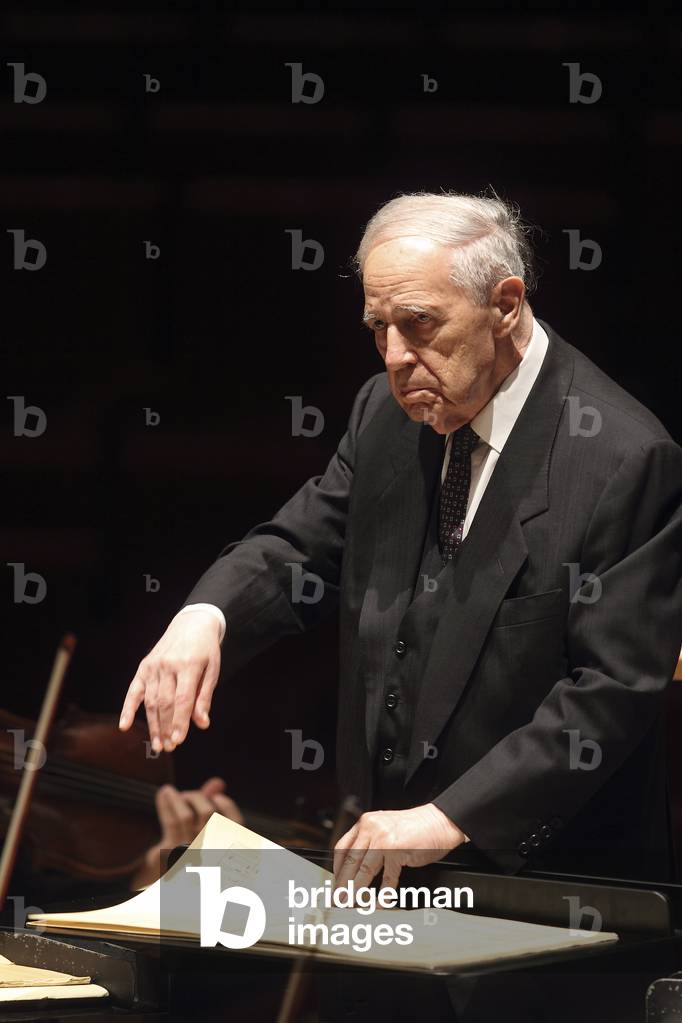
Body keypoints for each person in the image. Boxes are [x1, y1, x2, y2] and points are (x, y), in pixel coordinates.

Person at [119, 191, 682, 884]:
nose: (394, 356)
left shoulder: (622, 458)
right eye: (378, 327)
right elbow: (299, 546)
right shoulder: (386, 412)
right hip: (378, 882)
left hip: (542, 897)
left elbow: (613, 691)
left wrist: (449, 816)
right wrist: (203, 616)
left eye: (418, 324)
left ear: (506, 305)